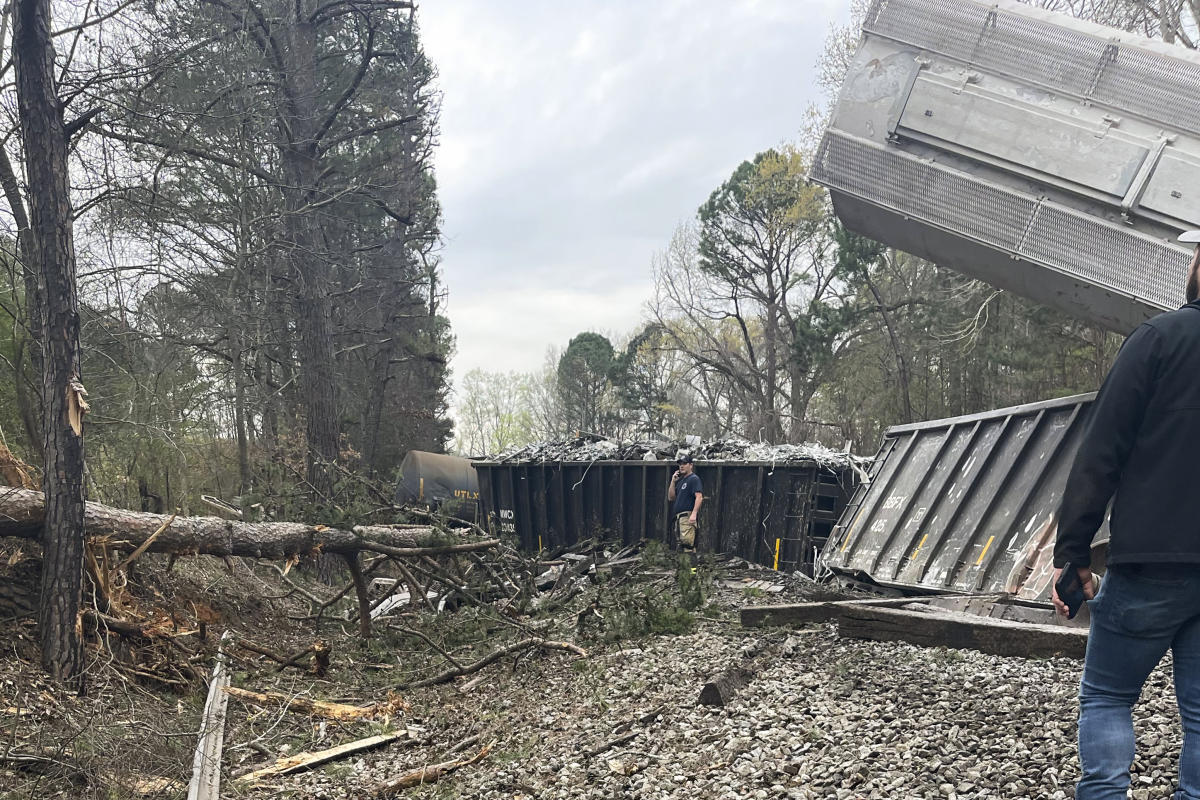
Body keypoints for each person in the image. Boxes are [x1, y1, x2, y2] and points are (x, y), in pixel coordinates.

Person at [1053, 229, 1200, 800]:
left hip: (1150, 564)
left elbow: (1101, 455)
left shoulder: (1157, 341)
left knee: (1110, 696)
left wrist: (1073, 557)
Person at [667, 455, 703, 553]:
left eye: (684, 463)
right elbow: (671, 497)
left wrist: (694, 514)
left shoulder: (694, 479)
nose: (681, 466)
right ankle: (684, 568)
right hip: (679, 518)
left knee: (688, 547)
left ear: (691, 465)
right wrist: (673, 481)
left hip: (687, 518)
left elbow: (699, 497)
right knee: (681, 547)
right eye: (680, 464)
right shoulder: (681, 481)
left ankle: (692, 569)